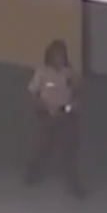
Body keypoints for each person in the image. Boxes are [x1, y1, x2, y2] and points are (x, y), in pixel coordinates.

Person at [25, 40, 85, 198]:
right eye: (56, 55)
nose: (59, 59)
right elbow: (33, 93)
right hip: (47, 113)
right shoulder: (42, 72)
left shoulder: (69, 71)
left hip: (65, 112)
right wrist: (45, 107)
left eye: (61, 55)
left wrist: (73, 102)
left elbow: (77, 88)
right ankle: (32, 173)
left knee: (70, 147)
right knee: (43, 145)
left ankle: (73, 183)